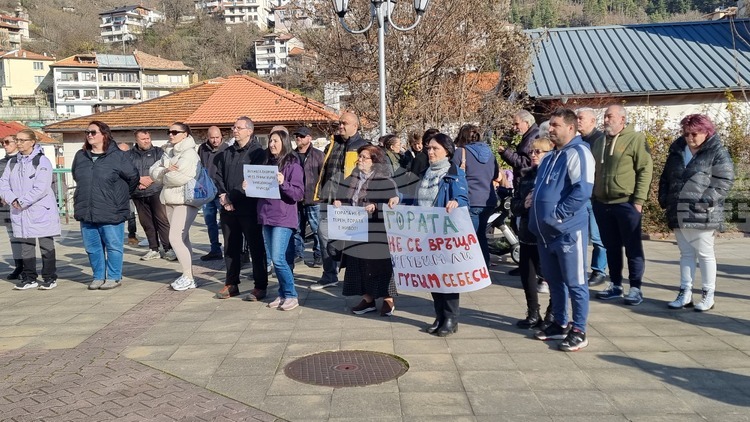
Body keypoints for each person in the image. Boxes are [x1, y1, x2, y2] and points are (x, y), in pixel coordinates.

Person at [530, 108, 595, 352]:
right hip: (544, 233)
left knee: (575, 282)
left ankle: (579, 330)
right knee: (554, 281)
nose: (550, 129)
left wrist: (558, 214)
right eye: (550, 125)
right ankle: (559, 323)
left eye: (555, 125)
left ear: (570, 127)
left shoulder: (579, 152)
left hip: (567, 231)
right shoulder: (550, 157)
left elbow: (582, 191)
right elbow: (542, 189)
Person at [658, 114, 734, 312]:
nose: (690, 138)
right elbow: (665, 178)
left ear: (706, 132)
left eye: (694, 133)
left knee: (705, 254)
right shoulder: (676, 151)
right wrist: (664, 198)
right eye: (686, 133)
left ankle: (708, 294)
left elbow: (724, 180)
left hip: (702, 212)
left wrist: (705, 201)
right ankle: (685, 293)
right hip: (678, 209)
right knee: (685, 254)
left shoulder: (717, 152)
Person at [591, 105, 653, 306]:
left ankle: (635, 288)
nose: (606, 120)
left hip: (626, 203)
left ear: (622, 119)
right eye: (605, 116)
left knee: (633, 247)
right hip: (602, 204)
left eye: (610, 116)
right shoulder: (599, 142)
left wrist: (639, 201)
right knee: (611, 247)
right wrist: (593, 197)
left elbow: (645, 169)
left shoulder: (635, 139)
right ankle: (615, 285)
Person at [72, 121, 139, 290]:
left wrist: (121, 196)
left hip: (111, 209)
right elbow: (76, 176)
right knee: (92, 247)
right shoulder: (81, 156)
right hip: (87, 209)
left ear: (104, 135)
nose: (89, 135)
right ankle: (98, 276)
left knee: (113, 246)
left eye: (93, 132)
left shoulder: (118, 156)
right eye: (87, 132)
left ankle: (114, 277)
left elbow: (133, 177)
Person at [334, 144, 399, 315]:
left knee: (379, 265)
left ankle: (388, 299)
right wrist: (339, 202)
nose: (360, 160)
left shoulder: (384, 180)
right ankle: (367, 299)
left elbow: (392, 204)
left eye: (364, 157)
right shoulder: (352, 177)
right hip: (355, 228)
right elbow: (343, 196)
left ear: (375, 161)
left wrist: (376, 206)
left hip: (377, 230)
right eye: (360, 156)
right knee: (358, 265)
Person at [415, 133, 468, 336]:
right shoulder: (425, 173)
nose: (430, 152)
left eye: (435, 148)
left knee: (447, 277)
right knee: (434, 277)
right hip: (425, 232)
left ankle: (451, 318)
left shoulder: (454, 173)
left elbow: (463, 197)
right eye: (428, 148)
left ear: (447, 151)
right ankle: (439, 315)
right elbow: (416, 199)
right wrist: (398, 198)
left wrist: (456, 202)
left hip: (445, 234)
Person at [310, 111, 368, 290]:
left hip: (350, 204)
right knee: (324, 234)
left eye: (344, 123)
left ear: (355, 126)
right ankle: (330, 274)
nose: (340, 126)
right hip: (329, 200)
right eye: (339, 123)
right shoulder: (332, 145)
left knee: (352, 241)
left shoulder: (364, 147)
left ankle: (358, 279)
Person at [213, 116, 268, 300]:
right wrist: (223, 196)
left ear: (249, 131)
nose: (234, 130)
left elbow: (253, 180)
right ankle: (231, 283)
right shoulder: (227, 152)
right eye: (234, 127)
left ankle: (260, 286)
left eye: (238, 128)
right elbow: (218, 176)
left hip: (249, 208)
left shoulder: (258, 153)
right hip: (228, 209)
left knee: (256, 248)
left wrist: (231, 197)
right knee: (230, 247)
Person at [0, 130, 60, 290]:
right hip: (20, 211)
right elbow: (3, 184)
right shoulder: (13, 162)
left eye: (22, 140)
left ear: (32, 142)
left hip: (40, 210)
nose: (18, 143)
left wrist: (22, 201)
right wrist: (13, 199)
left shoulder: (42, 161)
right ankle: (29, 278)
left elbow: (41, 187)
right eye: (17, 140)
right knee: (26, 244)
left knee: (46, 244)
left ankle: (49, 277)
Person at [253, 130, 304, 310]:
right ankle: (282, 294)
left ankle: (291, 295)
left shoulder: (293, 165)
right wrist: (249, 186)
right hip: (266, 215)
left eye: (275, 141)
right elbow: (260, 189)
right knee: (280, 259)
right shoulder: (266, 163)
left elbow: (298, 193)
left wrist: (284, 183)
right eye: (270, 141)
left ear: (284, 142)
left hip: (283, 217)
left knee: (278, 258)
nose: (271, 144)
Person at [150, 122, 201, 291]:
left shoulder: (189, 153)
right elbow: (152, 171)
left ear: (185, 134)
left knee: (175, 238)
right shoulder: (168, 151)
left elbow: (180, 177)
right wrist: (166, 170)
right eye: (169, 132)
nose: (170, 135)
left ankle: (188, 277)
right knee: (183, 238)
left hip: (185, 200)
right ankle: (188, 275)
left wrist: (163, 174)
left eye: (175, 132)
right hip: (170, 198)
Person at [511, 137, 555, 329]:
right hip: (527, 232)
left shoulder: (554, 175)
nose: (533, 155)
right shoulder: (526, 175)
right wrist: (524, 204)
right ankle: (533, 313)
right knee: (527, 274)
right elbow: (515, 205)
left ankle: (553, 313)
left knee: (551, 275)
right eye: (531, 152)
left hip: (547, 233)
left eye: (538, 151)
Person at [451, 124, 499, 267]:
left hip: (470, 199)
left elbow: (452, 174)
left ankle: (474, 268)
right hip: (488, 200)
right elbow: (496, 175)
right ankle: (484, 266)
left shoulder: (461, 152)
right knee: (480, 235)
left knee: (468, 238)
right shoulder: (490, 154)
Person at [128, 130, 174, 262]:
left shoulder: (159, 152)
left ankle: (168, 249)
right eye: (143, 139)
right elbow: (126, 172)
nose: (146, 141)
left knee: (162, 221)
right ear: (136, 140)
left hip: (156, 191)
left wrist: (150, 179)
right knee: (146, 223)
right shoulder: (128, 155)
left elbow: (165, 168)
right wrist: (139, 180)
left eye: (148, 138)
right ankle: (153, 249)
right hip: (138, 193)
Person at [576, 108, 608, 286]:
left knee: (597, 236)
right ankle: (578, 268)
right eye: (577, 118)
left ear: (593, 121)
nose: (578, 121)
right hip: (580, 195)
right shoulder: (577, 140)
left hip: (595, 196)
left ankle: (599, 270)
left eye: (581, 118)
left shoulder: (600, 141)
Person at [292, 126, 324, 268]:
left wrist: (321, 194)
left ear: (309, 138)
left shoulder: (318, 155)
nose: (298, 138)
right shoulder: (291, 156)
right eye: (297, 136)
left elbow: (324, 176)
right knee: (297, 229)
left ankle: (319, 256)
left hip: (314, 199)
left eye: (302, 136)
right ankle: (298, 254)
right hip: (296, 199)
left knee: (317, 230)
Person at [197, 126, 227, 261]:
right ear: (207, 137)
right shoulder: (202, 149)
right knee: (210, 222)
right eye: (212, 138)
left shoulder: (227, 149)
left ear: (221, 136)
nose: (215, 140)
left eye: (217, 137)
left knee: (226, 223)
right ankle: (215, 249)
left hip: (221, 191)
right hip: (207, 191)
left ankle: (230, 249)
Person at [1, 135, 23, 280]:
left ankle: (28, 267)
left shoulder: (23, 161)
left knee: (24, 236)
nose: (4, 145)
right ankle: (19, 266)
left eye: (7, 142)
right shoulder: (1, 163)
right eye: (2, 142)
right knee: (13, 237)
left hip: (22, 204)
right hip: (5, 206)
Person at [498, 110, 539, 187]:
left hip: (527, 184)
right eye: (514, 124)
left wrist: (506, 153)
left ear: (527, 123)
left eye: (517, 124)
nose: (514, 128)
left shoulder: (533, 138)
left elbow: (526, 163)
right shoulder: (529, 136)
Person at [118, 142, 140, 246]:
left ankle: (132, 235)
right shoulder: (113, 162)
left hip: (130, 191)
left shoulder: (132, 162)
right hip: (117, 192)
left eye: (126, 151)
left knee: (131, 215)